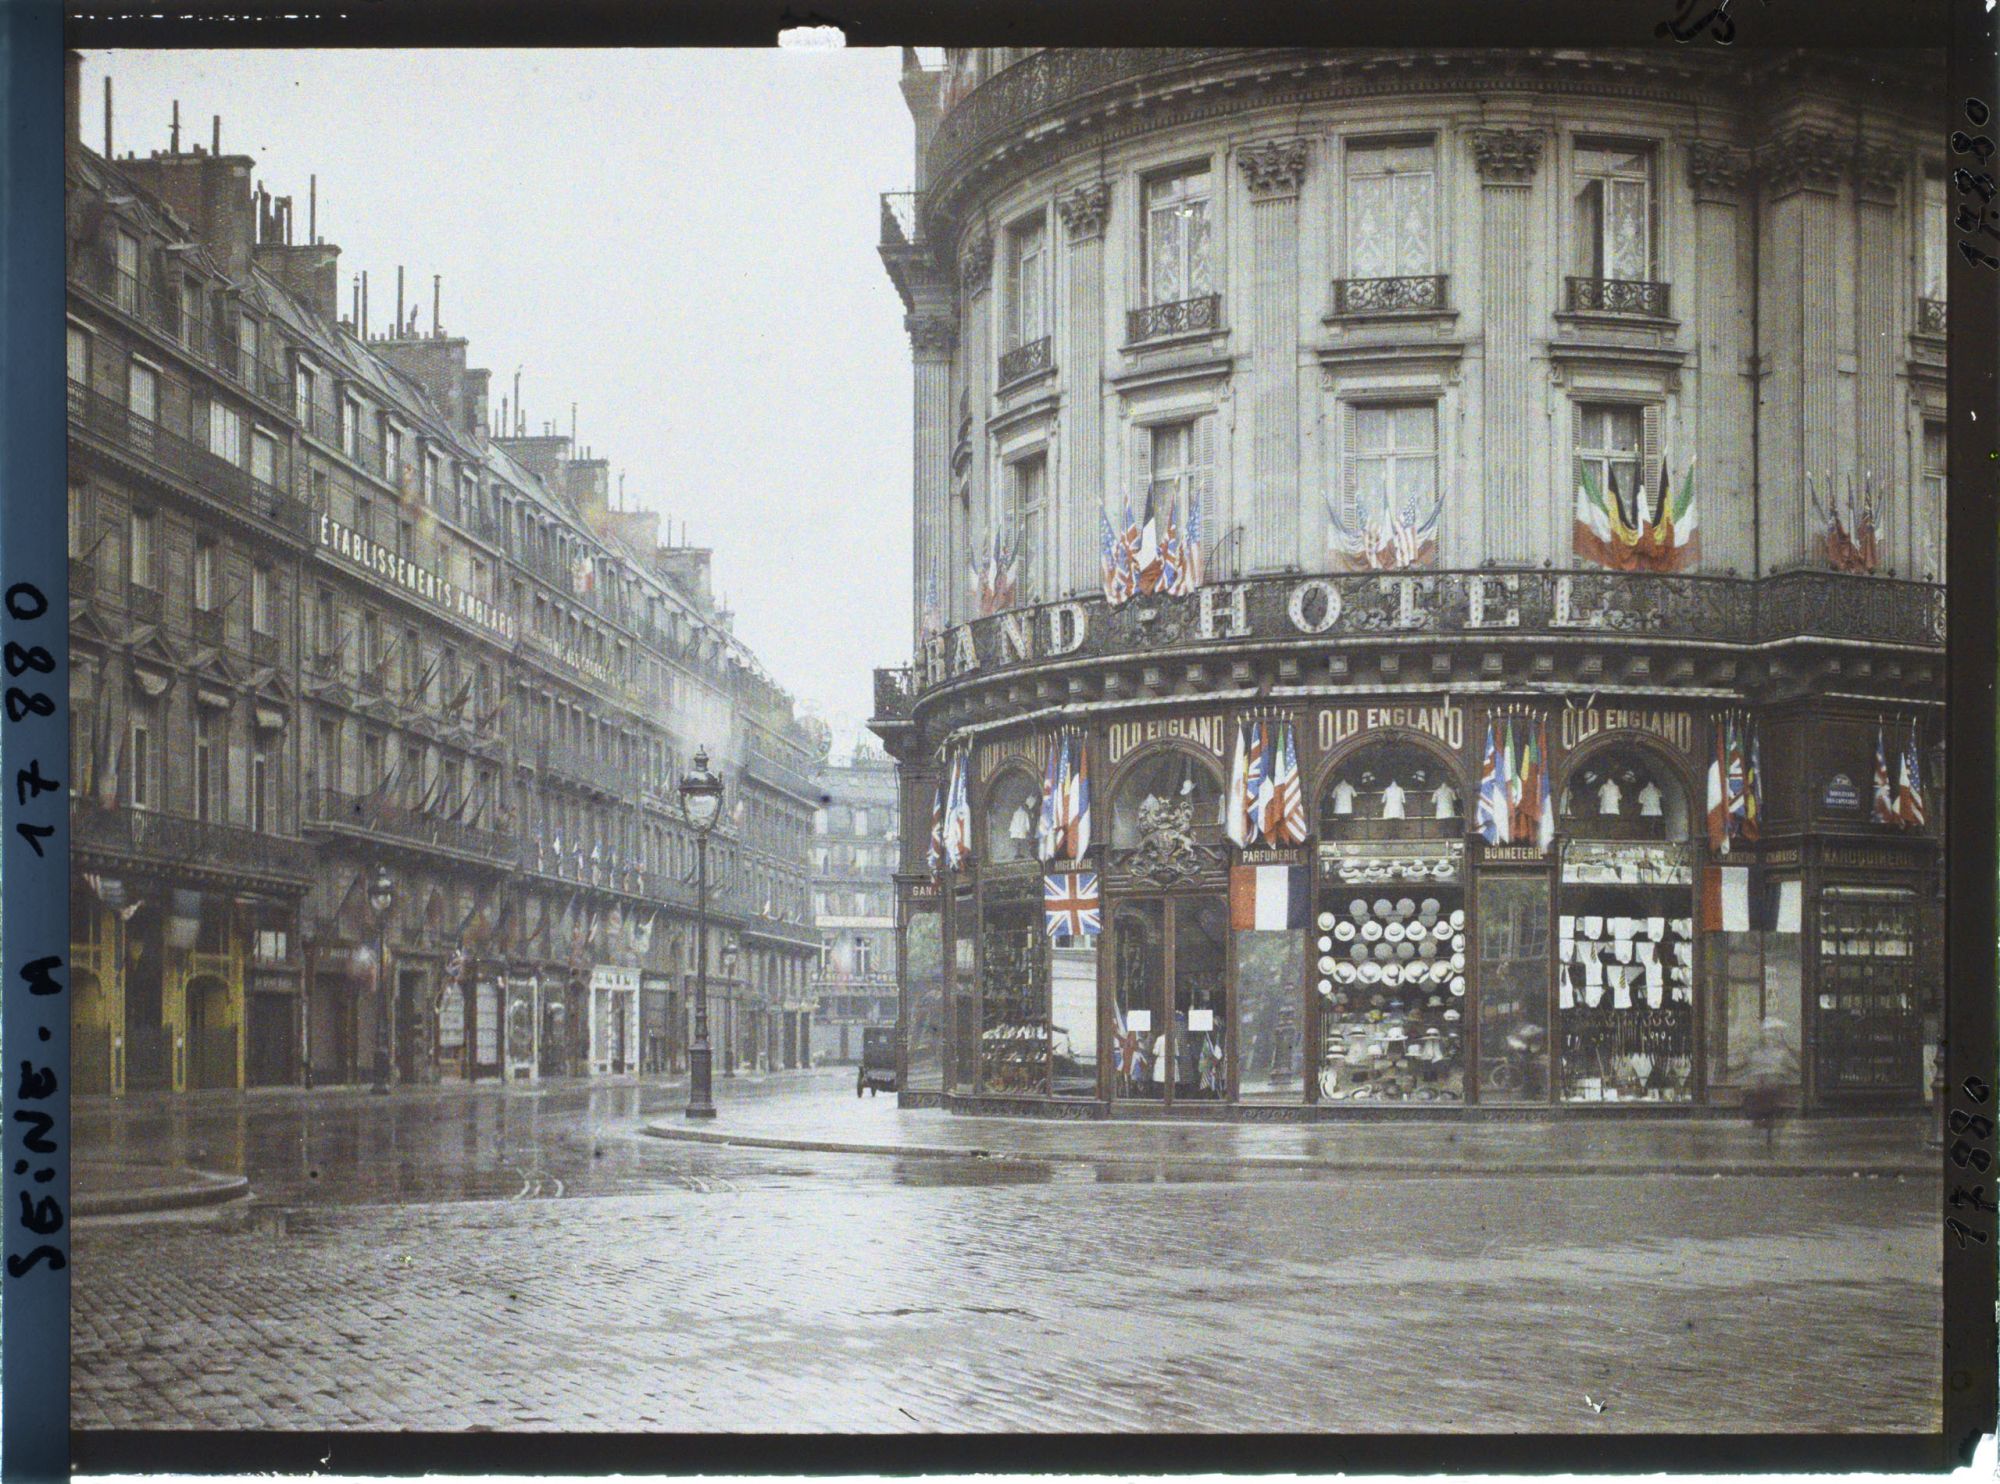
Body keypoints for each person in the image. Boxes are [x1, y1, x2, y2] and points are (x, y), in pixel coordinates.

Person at [1742, 1017, 1798, 1149]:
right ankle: (1768, 1132)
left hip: (1768, 1087)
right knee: (1773, 1110)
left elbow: (1753, 1067)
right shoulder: (1774, 1052)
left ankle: (1767, 1132)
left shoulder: (1772, 1053)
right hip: (1769, 1087)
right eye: (1769, 1037)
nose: (1770, 1040)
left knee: (1770, 1110)